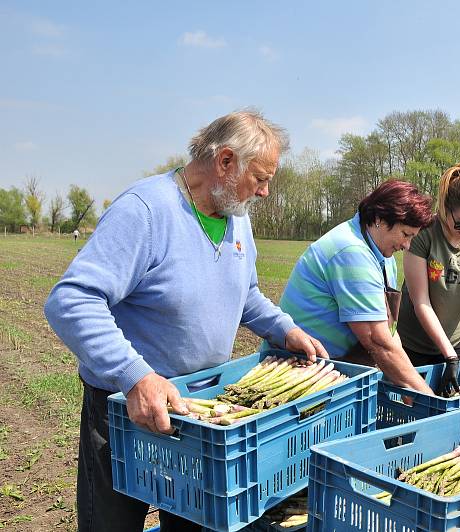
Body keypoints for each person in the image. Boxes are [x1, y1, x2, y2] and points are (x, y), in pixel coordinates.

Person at [44, 110, 327, 532]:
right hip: (128, 413)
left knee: (193, 523)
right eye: (261, 178)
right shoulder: (146, 211)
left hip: (197, 415)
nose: (266, 192)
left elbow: (244, 293)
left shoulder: (238, 218)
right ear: (226, 161)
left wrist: (283, 329)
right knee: (112, 523)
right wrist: (136, 376)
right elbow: (72, 300)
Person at [279, 179, 436, 394]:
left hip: (334, 369)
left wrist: (408, 383)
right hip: (300, 371)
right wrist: (425, 394)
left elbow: (389, 332)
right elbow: (378, 341)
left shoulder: (382, 252)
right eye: (406, 234)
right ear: (381, 219)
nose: (407, 245)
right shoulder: (351, 252)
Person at [397, 161, 460, 393]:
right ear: (445, 208)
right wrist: (449, 357)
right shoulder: (423, 234)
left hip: (457, 342)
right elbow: (420, 301)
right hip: (414, 346)